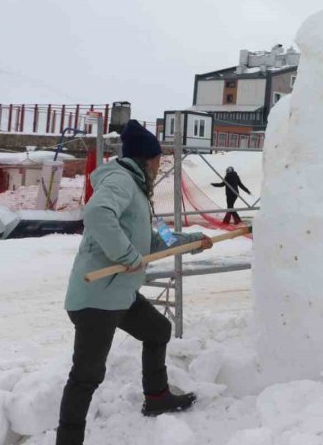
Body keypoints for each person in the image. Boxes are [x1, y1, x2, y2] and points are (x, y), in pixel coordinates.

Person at [56, 121, 211, 445]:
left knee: (157, 330)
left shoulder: (138, 191)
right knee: (86, 377)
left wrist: (194, 240)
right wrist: (127, 256)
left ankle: (156, 396)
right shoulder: (121, 181)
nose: (159, 165)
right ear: (146, 159)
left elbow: (154, 238)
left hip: (117, 294)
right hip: (97, 298)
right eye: (157, 159)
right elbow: (97, 213)